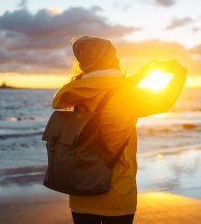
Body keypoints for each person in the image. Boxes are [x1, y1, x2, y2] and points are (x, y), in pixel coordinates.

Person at [52, 36, 187, 224]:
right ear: (112, 59)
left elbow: (106, 89)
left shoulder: (77, 90)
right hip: (117, 194)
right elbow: (163, 102)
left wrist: (141, 75)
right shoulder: (127, 95)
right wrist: (180, 74)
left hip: (81, 192)